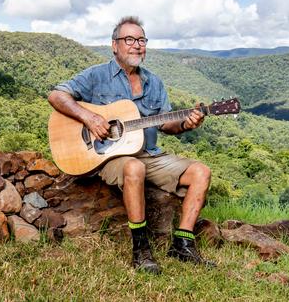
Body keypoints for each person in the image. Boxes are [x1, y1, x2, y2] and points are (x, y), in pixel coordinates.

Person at [48, 16, 214, 274]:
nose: (137, 45)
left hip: (149, 153)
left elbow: (166, 124)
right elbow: (56, 95)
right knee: (134, 167)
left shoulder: (154, 83)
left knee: (201, 172)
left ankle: (182, 243)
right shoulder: (96, 75)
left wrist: (186, 124)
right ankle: (141, 248)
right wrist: (89, 118)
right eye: (129, 39)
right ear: (115, 45)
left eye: (141, 40)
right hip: (109, 156)